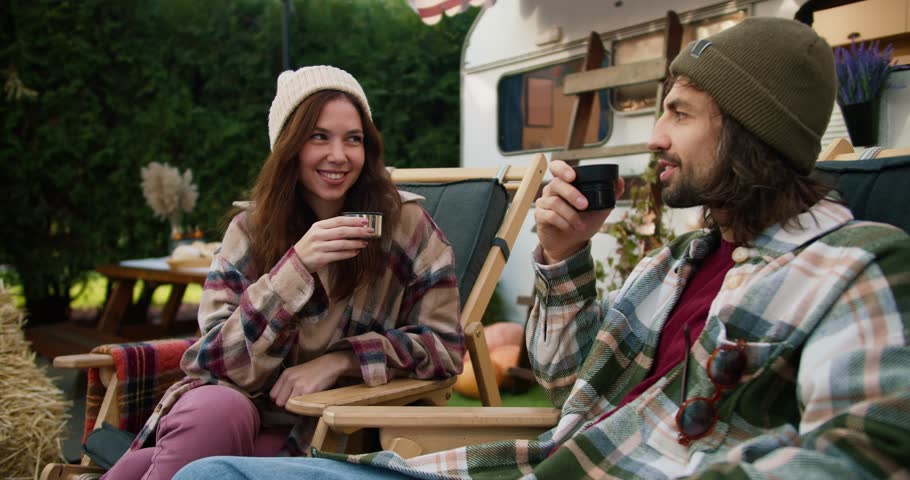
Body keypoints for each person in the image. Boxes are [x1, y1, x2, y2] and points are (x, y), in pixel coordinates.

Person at [174, 17, 910, 480]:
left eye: (679, 115)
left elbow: (859, 452)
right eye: (317, 137)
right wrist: (561, 260)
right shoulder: (674, 264)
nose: (653, 137)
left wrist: (340, 358)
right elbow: (567, 382)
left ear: (753, 132)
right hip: (528, 462)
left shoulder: (855, 265)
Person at [102, 65, 464, 479]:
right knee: (216, 410)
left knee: (141, 467)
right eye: (319, 137)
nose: (339, 156)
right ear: (289, 146)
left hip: (330, 425)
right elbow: (217, 365)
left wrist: (342, 361)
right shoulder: (250, 231)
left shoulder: (405, 226)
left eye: (354, 139)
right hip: (237, 411)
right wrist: (296, 269)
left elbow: (445, 349)